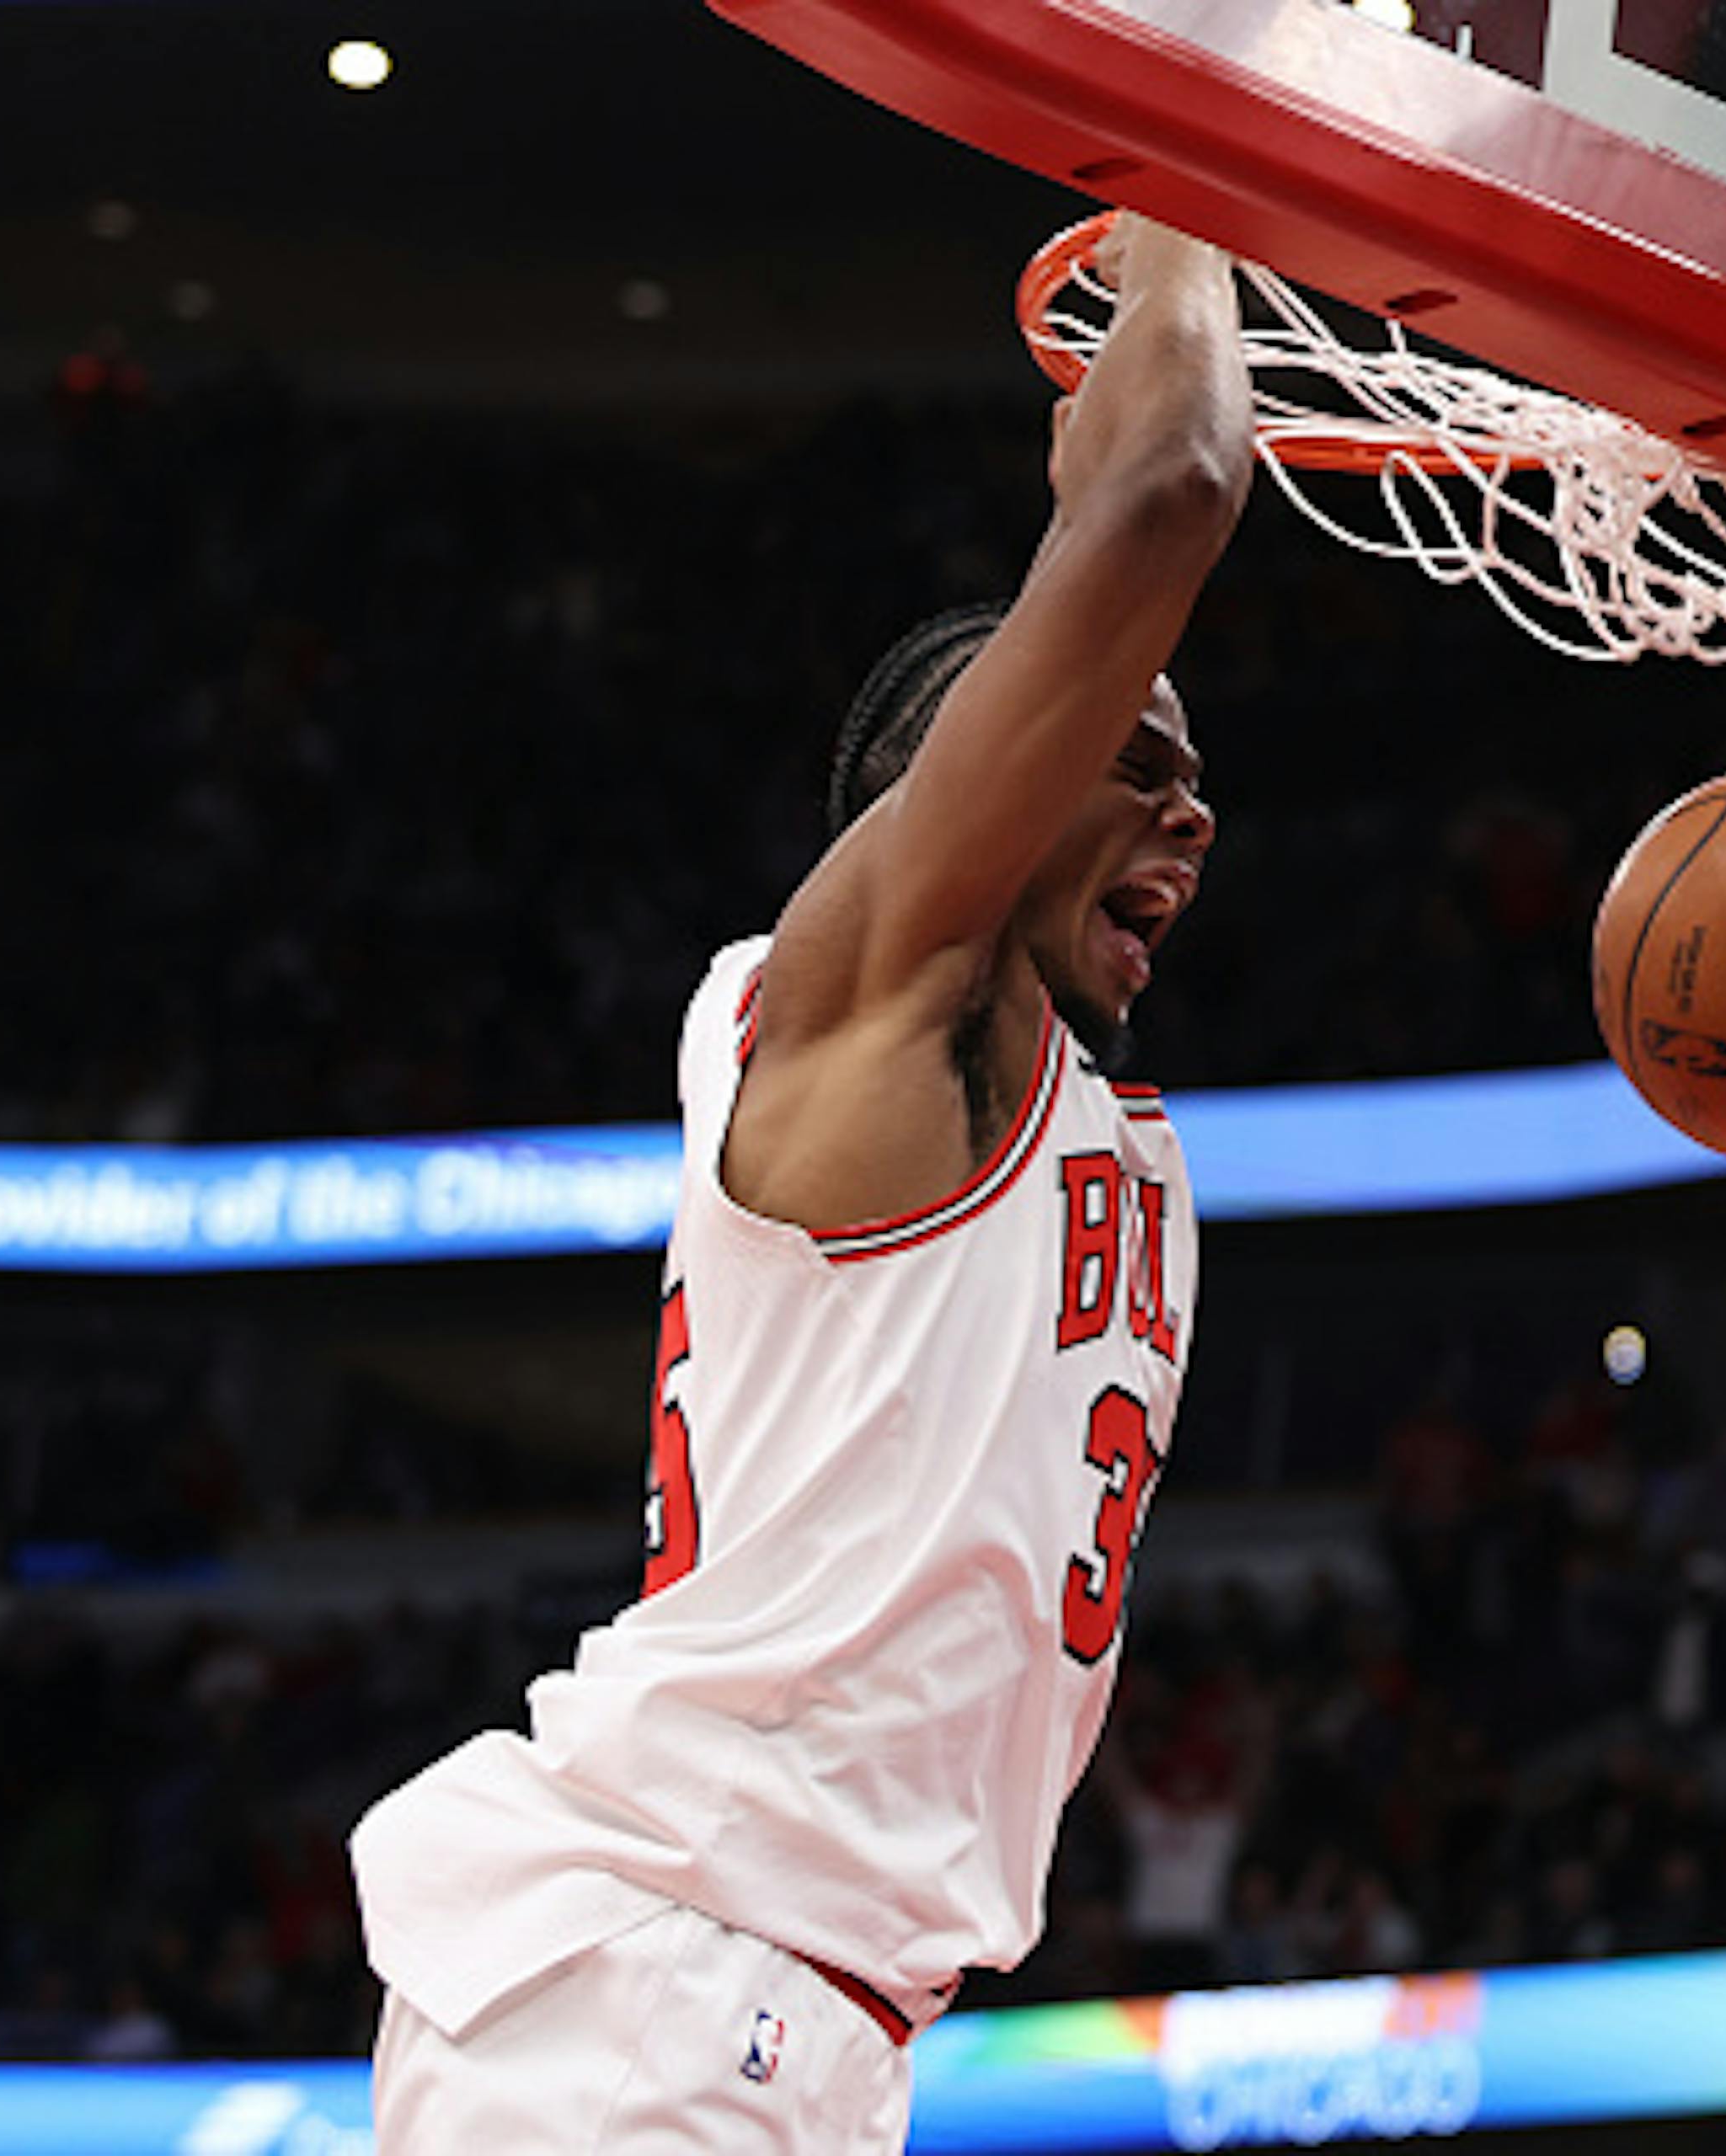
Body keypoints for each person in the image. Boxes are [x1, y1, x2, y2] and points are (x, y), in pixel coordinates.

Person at [349, 213, 1253, 2153]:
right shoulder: (856, 1011)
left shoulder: (1079, 1129)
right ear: (970, 774)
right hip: (659, 1978)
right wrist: (1202, 164)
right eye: (1133, 752)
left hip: (787, 2007)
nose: (1189, 806)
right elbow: (1172, 487)